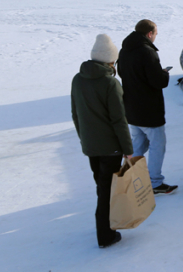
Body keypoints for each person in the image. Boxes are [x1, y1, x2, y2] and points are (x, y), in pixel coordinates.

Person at [71, 34, 133, 249]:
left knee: (102, 186)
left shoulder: (78, 79)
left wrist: (85, 139)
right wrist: (128, 149)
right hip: (110, 148)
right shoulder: (110, 83)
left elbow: (75, 114)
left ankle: (104, 226)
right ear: (110, 61)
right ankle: (106, 235)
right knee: (107, 191)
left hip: (91, 146)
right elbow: (119, 120)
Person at [117, 19, 175, 195]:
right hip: (149, 109)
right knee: (158, 145)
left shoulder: (124, 50)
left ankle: (127, 176)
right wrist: (164, 74)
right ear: (150, 34)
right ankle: (155, 182)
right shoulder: (147, 52)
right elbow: (157, 82)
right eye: (155, 34)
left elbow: (123, 73)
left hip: (131, 108)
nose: (155, 37)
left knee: (138, 142)